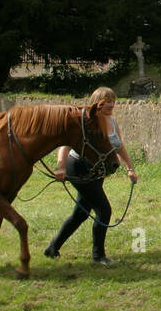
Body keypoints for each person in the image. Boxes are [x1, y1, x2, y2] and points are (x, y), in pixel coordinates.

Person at [43, 87, 138, 266]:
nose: (111, 104)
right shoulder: (86, 121)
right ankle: (98, 256)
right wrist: (61, 167)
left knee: (81, 213)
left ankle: (52, 248)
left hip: (97, 169)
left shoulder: (112, 121)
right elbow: (65, 144)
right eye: (106, 101)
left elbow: (119, 146)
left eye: (112, 101)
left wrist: (130, 168)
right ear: (97, 103)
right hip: (78, 166)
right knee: (104, 210)